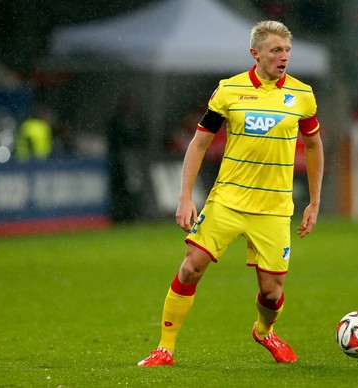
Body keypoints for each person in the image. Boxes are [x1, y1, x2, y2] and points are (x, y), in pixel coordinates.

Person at [138, 20, 324, 366]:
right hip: (228, 200)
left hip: (273, 208)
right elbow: (198, 144)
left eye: (287, 51)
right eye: (275, 50)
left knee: (272, 292)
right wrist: (184, 197)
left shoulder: (302, 95)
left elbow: (314, 146)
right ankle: (164, 348)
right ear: (255, 54)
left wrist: (314, 201)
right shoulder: (229, 91)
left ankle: (264, 331)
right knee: (192, 267)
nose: (283, 57)